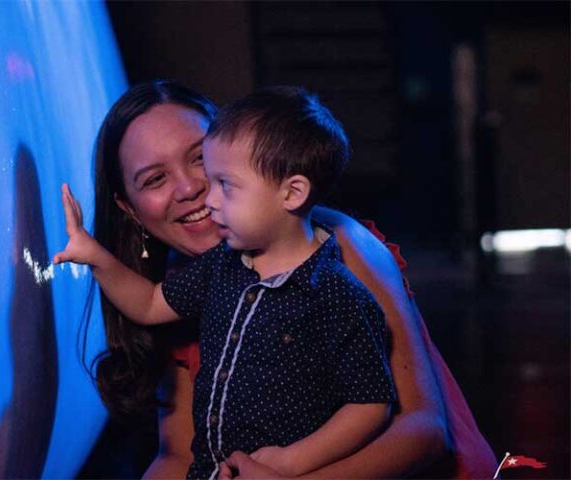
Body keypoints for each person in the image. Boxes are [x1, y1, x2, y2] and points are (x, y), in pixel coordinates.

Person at [77, 80, 495, 478]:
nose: (191, 188)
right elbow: (180, 456)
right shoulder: (188, 286)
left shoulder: (337, 245)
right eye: (154, 179)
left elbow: (423, 431)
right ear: (129, 209)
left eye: (200, 157)